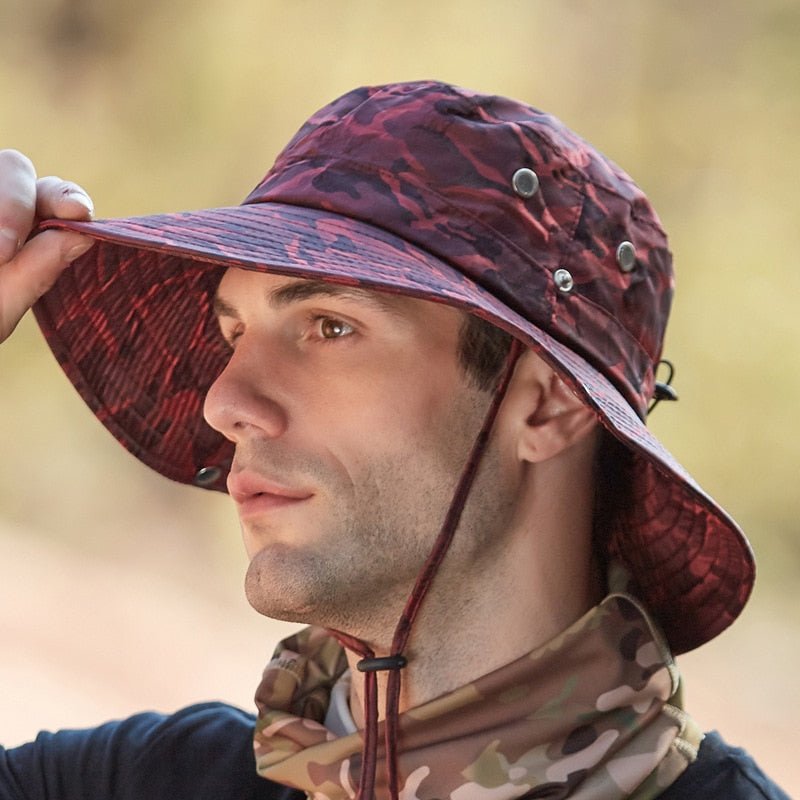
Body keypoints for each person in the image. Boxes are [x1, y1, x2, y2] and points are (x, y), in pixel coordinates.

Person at [0, 81, 790, 800]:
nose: (225, 401)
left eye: (329, 326)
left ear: (547, 408)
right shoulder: (138, 785)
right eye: (233, 331)